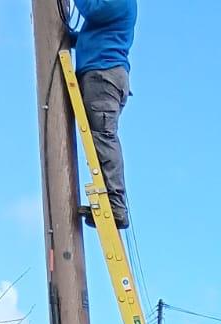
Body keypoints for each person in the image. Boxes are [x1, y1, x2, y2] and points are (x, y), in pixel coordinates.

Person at [66, 0, 137, 229]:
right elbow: (95, 31)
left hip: (103, 75)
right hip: (103, 73)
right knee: (102, 137)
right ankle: (113, 202)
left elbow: (92, 10)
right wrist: (68, 38)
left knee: (103, 137)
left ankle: (115, 206)